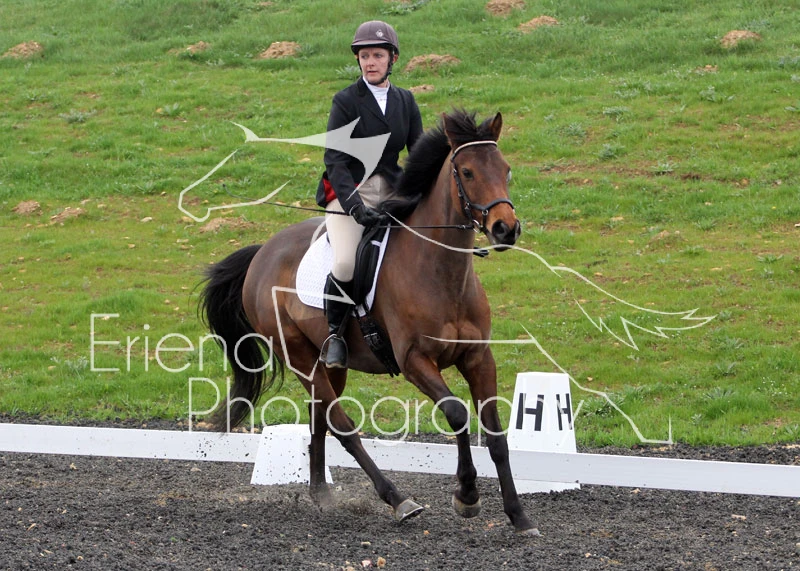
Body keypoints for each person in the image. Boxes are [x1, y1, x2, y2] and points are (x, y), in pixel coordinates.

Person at [315, 20, 423, 368]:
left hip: (392, 190)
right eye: (364, 56)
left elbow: (419, 155)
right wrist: (354, 207)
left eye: (377, 55)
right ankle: (335, 335)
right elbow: (335, 159)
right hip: (351, 191)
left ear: (392, 59)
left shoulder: (405, 100)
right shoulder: (346, 101)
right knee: (346, 261)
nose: (370, 62)